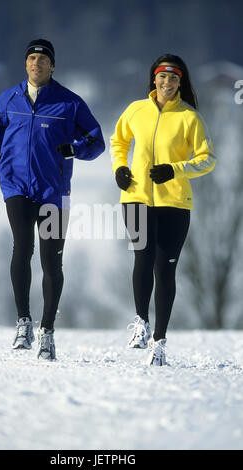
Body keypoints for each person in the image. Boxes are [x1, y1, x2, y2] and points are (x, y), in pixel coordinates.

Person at [0, 39, 105, 359]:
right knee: (22, 247)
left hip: (54, 192)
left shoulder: (70, 103)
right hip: (16, 187)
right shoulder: (9, 98)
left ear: (52, 66)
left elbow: (97, 141)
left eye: (43, 59)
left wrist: (76, 149)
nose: (36, 63)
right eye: (31, 58)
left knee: (51, 261)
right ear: (25, 64)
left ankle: (46, 331)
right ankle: (23, 321)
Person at [110, 54, 216, 366]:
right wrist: (119, 168)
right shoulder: (135, 110)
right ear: (153, 79)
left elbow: (208, 158)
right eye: (162, 77)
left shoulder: (189, 117)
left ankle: (160, 341)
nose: (167, 83)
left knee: (165, 268)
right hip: (136, 197)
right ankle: (141, 323)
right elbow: (118, 142)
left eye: (173, 78)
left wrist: (175, 170)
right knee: (142, 257)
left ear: (181, 82)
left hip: (174, 204)